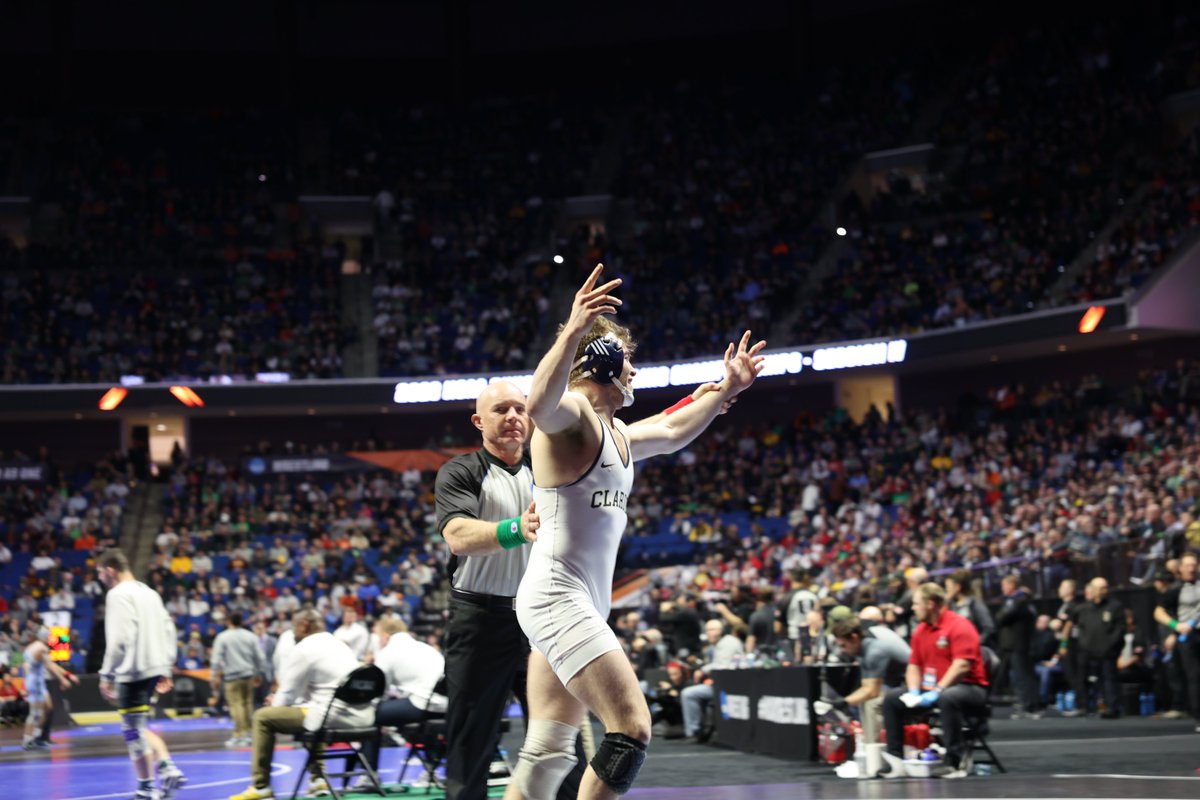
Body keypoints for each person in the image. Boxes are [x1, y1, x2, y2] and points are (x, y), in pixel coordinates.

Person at [507, 264, 765, 800]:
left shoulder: (615, 432)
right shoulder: (574, 413)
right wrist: (575, 329)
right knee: (631, 729)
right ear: (599, 364)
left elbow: (672, 429)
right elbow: (539, 406)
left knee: (548, 753)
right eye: (627, 364)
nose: (635, 374)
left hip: (573, 600)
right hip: (559, 598)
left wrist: (724, 391)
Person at [435, 379, 585, 800]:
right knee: (471, 741)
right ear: (478, 421)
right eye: (501, 410)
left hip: (540, 621)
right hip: (481, 621)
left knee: (560, 736)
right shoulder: (460, 471)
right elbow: (458, 537)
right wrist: (519, 527)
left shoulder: (548, 468)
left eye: (521, 409)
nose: (514, 417)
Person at [229, 608, 373, 800]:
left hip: (331, 716)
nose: (293, 633)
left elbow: (287, 695)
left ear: (304, 625)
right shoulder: (339, 644)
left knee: (262, 717)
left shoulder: (305, 648)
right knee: (312, 710)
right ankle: (318, 779)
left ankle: (261, 786)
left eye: (294, 627)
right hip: (362, 717)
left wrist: (274, 702)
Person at [97, 548, 187, 800]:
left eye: (100, 573)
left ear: (110, 570)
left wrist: (106, 674)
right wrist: (165, 667)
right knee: (139, 726)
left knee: (132, 732)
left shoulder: (117, 594)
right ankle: (166, 768)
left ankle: (147, 788)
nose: (100, 579)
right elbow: (168, 630)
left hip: (133, 672)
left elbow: (119, 639)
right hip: (153, 670)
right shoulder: (150, 592)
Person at [879, 582, 989, 779]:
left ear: (930, 604)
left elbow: (961, 666)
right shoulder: (921, 630)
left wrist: (937, 691)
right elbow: (913, 665)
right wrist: (913, 692)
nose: (912, 608)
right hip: (932, 688)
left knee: (949, 697)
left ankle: (955, 762)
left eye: (916, 603)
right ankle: (895, 760)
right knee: (892, 698)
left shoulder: (959, 626)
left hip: (969, 688)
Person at [353, 617, 447, 782]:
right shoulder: (426, 648)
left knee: (370, 715)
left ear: (386, 636)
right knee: (423, 717)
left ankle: (369, 775)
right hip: (445, 705)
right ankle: (431, 769)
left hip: (422, 704)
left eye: (377, 636)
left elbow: (378, 692)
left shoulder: (388, 652)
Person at [829, 615, 910, 755]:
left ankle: (875, 752)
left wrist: (844, 702)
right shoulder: (863, 651)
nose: (842, 650)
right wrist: (845, 701)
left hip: (912, 685)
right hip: (896, 685)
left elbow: (872, 691)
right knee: (864, 701)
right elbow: (866, 686)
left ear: (854, 638)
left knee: (872, 703)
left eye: (843, 645)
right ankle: (869, 747)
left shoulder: (874, 651)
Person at [1153, 551, 1199, 728]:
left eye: (1194, 565)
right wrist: (1176, 626)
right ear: (1180, 568)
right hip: (1189, 636)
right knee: (1194, 676)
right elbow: (1158, 612)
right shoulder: (1175, 590)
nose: (1191, 568)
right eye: (1187, 565)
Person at [680, 620, 745, 741]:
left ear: (722, 631)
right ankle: (700, 730)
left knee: (688, 694)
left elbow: (722, 665)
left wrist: (702, 670)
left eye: (712, 630)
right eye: (707, 630)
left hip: (730, 685)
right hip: (720, 683)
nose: (708, 633)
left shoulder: (728, 642)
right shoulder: (716, 645)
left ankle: (693, 731)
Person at [211, 612, 268, 747]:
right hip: (248, 675)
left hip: (231, 677)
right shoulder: (250, 636)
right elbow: (260, 657)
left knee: (235, 705)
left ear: (229, 621)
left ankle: (239, 735)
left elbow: (216, 658)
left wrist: (213, 676)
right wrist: (259, 673)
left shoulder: (223, 637)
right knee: (247, 704)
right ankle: (248, 734)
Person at [1073, 577, 1125, 718]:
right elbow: (1079, 627)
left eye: (1106, 587)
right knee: (1092, 679)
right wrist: (1084, 643)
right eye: (1101, 588)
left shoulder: (1115, 607)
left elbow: (1120, 629)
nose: (1104, 590)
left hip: (1108, 651)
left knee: (1109, 679)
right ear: (1093, 590)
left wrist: (1110, 645)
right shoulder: (1084, 608)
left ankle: (1112, 707)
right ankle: (1087, 706)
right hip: (1089, 650)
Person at [20, 636, 78, 750]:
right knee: (36, 713)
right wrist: (63, 679)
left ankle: (37, 738)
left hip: (36, 681)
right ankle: (28, 741)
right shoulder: (41, 648)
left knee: (48, 708)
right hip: (36, 682)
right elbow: (50, 665)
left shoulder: (31, 647)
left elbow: (27, 665)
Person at [995, 574, 1038, 717]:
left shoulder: (1019, 601)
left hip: (1018, 645)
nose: (1002, 588)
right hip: (1014, 645)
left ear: (1011, 585)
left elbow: (1002, 617)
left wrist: (1002, 613)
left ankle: (1028, 707)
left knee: (1023, 676)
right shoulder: (1018, 601)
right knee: (1019, 677)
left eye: (1004, 585)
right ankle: (1026, 704)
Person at [1053, 578, 1087, 717]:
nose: (1059, 589)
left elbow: (1064, 626)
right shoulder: (1065, 606)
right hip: (1067, 644)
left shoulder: (1072, 606)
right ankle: (1080, 704)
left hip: (1072, 645)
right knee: (1071, 675)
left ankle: (1081, 706)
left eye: (1061, 587)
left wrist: (1063, 645)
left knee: (1075, 675)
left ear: (1069, 590)